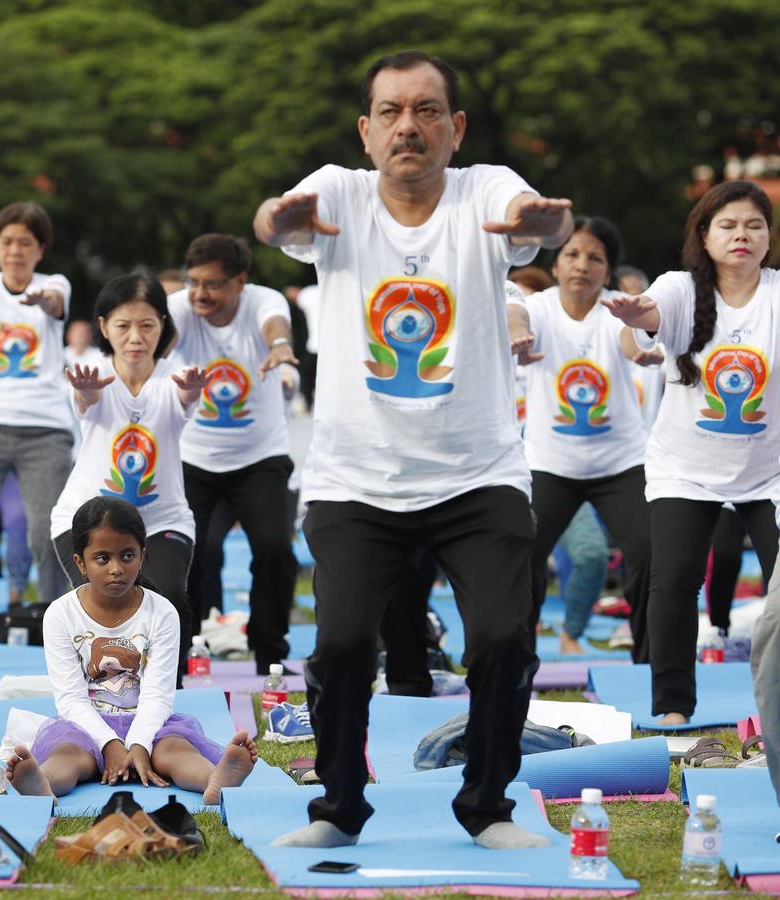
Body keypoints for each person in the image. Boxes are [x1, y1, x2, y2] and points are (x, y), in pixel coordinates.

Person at [252, 51, 572, 850]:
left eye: (427, 111)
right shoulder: (342, 193)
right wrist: (277, 221)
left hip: (479, 476)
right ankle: (338, 808)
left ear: (454, 129)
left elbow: (533, 214)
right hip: (356, 482)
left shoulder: (483, 191)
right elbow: (281, 217)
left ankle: (489, 803)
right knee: (343, 646)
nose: (409, 126)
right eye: (391, 112)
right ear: (366, 132)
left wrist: (544, 224)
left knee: (503, 638)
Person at [602, 179, 780, 725]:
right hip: (686, 470)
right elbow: (652, 314)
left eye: (754, 225)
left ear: (769, 237)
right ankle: (674, 706)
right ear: (704, 236)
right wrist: (638, 317)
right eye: (727, 225)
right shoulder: (682, 288)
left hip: (769, 472)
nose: (742, 236)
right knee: (674, 580)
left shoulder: (776, 293)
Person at [7, 496, 258, 800]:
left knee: (175, 751)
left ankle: (214, 779)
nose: (117, 568)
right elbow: (71, 700)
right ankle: (42, 781)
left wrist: (140, 744)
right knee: (69, 756)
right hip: (86, 726)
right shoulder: (60, 614)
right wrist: (109, 744)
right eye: (103, 558)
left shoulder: (162, 612)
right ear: (80, 563)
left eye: (127, 556)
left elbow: (158, 694)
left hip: (151, 723)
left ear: (142, 555)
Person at [49, 274, 208, 686]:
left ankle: (169, 696)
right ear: (103, 327)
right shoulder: (93, 375)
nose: (135, 337)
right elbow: (87, 403)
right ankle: (96, 699)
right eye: (123, 326)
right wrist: (85, 392)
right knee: (103, 605)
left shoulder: (177, 378)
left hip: (162, 520)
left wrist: (191, 394)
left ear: (162, 325)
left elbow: (185, 403)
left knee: (168, 597)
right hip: (85, 520)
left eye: (147, 325)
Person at [508, 217, 652, 659]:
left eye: (595, 258)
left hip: (620, 465)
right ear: (556, 265)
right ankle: (516, 661)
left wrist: (642, 347)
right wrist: (518, 336)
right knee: (522, 555)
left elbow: (631, 341)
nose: (581, 265)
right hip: (551, 465)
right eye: (571, 254)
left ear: (607, 273)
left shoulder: (616, 309)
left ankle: (649, 660)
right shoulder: (540, 307)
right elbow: (516, 313)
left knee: (650, 555)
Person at [168, 233, 299, 674]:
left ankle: (270, 651)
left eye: (213, 284)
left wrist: (280, 347)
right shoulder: (182, 308)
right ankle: (183, 649)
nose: (201, 293)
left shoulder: (264, 301)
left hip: (260, 458)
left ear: (240, 282)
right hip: (195, 458)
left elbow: (274, 325)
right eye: (194, 282)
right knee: (191, 552)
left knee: (275, 549)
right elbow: (162, 340)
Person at [0, 202, 73, 605]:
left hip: (44, 430)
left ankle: (54, 618)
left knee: (48, 531)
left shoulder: (54, 283)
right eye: (7, 241)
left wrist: (42, 300)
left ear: (40, 249)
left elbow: (56, 303)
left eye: (25, 243)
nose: (15, 251)